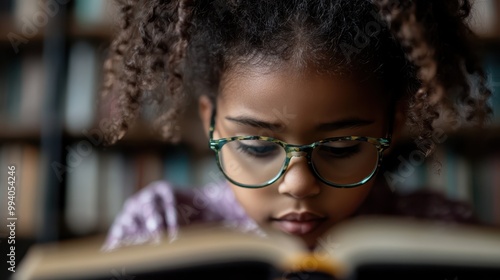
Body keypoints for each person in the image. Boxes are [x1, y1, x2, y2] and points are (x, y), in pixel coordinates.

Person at [100, 0, 492, 252]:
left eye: (341, 147)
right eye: (256, 146)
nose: (299, 184)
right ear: (212, 123)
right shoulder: (161, 227)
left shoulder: (441, 235)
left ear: (392, 126)